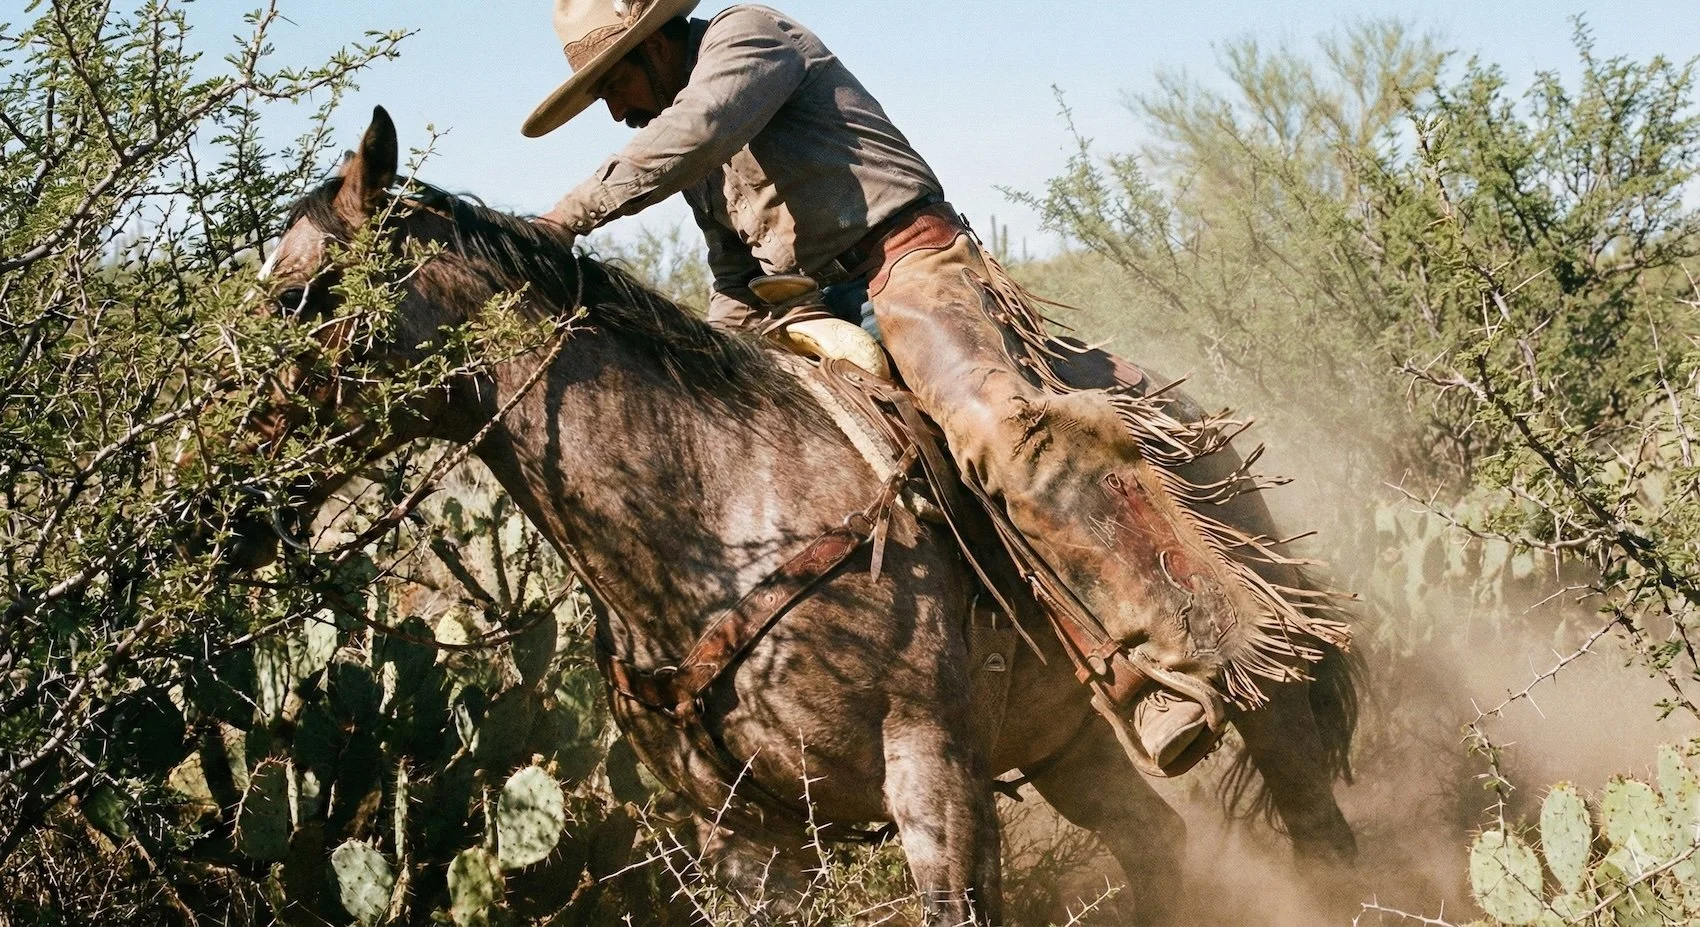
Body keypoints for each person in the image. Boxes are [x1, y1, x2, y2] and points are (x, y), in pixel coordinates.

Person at [525, 0, 1222, 769]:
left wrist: (564, 220)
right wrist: (714, 365)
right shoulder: (693, 154)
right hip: (813, 309)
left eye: (615, 83)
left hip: (910, 270)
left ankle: (1156, 657)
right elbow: (734, 280)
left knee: (996, 430)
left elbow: (695, 132)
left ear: (655, 46)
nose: (618, 113)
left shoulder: (746, 39)